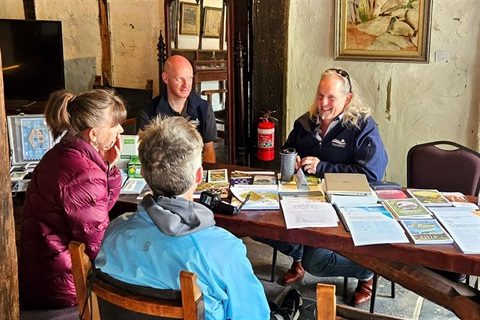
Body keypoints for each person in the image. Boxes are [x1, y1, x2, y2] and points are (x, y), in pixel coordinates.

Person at [95, 116, 302, 320]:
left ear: (143, 172)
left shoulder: (112, 233)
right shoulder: (224, 249)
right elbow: (254, 315)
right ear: (198, 175)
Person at [262, 68, 388, 307]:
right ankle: (298, 255)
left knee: (316, 262)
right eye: (320, 95)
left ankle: (367, 272)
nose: (323, 103)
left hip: (343, 207)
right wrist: (293, 159)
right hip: (304, 200)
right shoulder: (306, 122)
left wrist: (323, 167)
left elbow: (371, 175)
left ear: (347, 99)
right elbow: (288, 150)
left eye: (331, 97)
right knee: (257, 224)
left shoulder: (363, 127)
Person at [19, 89, 126, 309]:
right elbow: (98, 245)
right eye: (115, 124)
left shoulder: (63, 153)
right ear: (93, 134)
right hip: (62, 287)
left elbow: (97, 210)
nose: (121, 129)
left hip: (42, 274)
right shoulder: (84, 172)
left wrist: (108, 167)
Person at [136, 55, 218, 163]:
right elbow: (145, 156)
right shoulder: (147, 113)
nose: (186, 85)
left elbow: (208, 150)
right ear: (165, 78)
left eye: (189, 78)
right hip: (162, 172)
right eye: (180, 79)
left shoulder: (204, 108)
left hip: (194, 172)